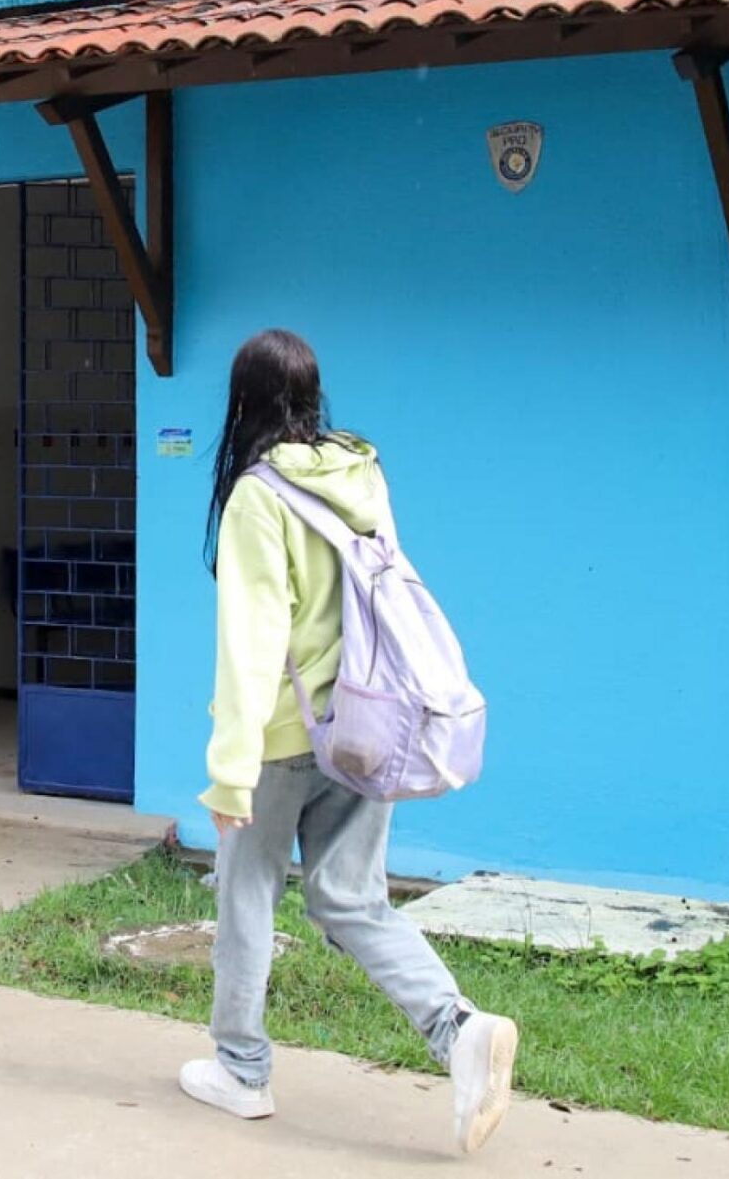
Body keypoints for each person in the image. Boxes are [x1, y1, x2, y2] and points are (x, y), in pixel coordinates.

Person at [180, 328, 518, 1155]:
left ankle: (242, 1070)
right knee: (354, 900)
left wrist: (230, 772)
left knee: (247, 893)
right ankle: (458, 1027)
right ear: (312, 395)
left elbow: (254, 641)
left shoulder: (259, 497)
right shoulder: (359, 474)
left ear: (243, 401)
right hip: (366, 728)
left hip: (282, 739)